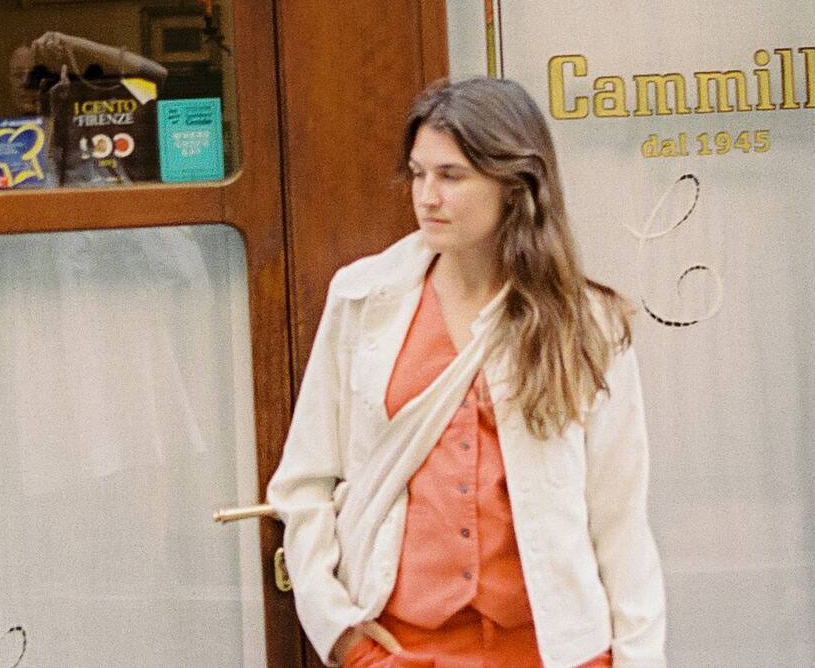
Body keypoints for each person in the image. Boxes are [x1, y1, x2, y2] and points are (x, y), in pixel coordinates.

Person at [268, 77, 665, 668]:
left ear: (514, 183)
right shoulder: (362, 300)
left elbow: (621, 523)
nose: (427, 195)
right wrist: (345, 638)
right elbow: (302, 487)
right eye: (417, 173)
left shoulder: (589, 324)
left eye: (451, 176)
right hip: (401, 650)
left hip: (556, 652)